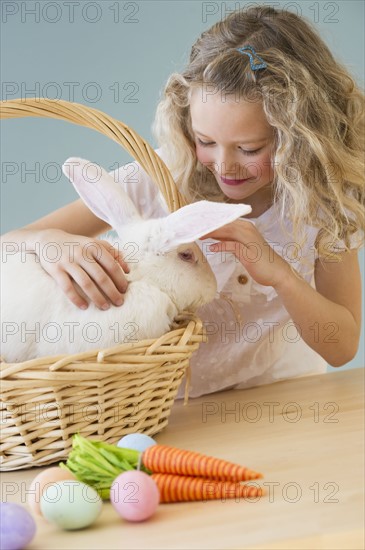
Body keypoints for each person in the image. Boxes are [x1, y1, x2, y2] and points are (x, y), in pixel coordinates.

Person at [2, 6, 364, 397]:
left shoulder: (324, 203)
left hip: (279, 396)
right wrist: (47, 242)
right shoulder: (160, 175)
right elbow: (11, 242)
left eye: (248, 148)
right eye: (205, 141)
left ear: (300, 135)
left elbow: (342, 346)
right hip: (166, 407)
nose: (223, 166)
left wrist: (280, 274)